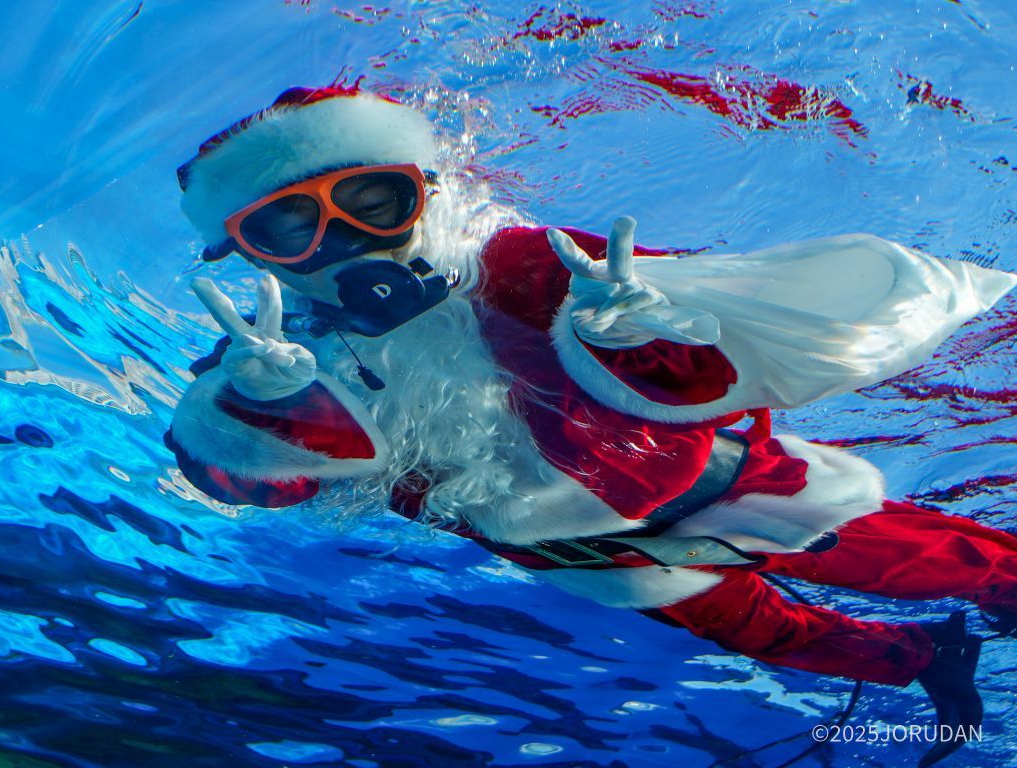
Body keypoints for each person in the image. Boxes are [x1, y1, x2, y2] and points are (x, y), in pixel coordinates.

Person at [167, 82, 1017, 767]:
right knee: (767, 632)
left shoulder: (528, 263)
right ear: (244, 253)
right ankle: (922, 659)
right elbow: (249, 482)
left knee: (927, 559)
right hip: (595, 557)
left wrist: (643, 333)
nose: (344, 240)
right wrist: (263, 410)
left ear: (422, 194)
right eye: (288, 225)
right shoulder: (267, 361)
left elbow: (715, 363)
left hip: (729, 486)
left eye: (371, 200)